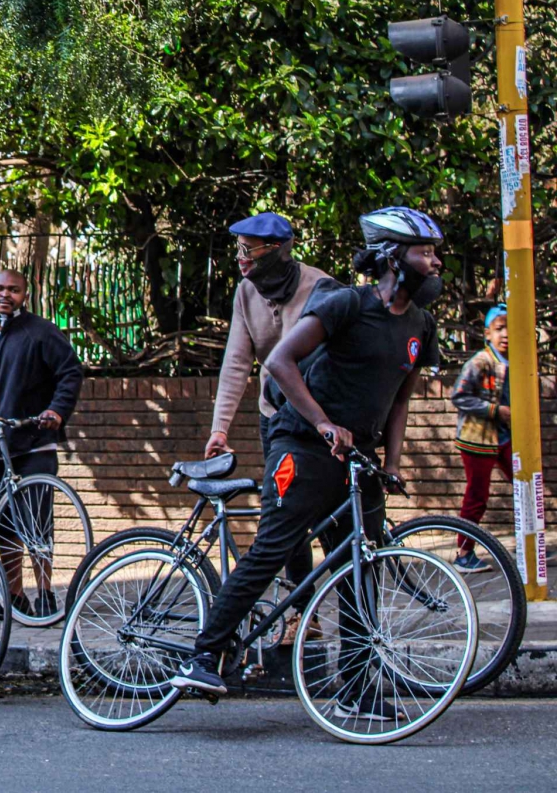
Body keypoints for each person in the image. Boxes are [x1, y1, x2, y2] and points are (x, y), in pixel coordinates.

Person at [172, 207, 444, 722]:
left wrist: (394, 461)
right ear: (392, 257)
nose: (434, 262)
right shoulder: (345, 303)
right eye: (424, 252)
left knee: (360, 567)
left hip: (357, 455)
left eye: (434, 252)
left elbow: (401, 400)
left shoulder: (420, 325)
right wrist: (319, 424)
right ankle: (204, 652)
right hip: (300, 440)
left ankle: (358, 686)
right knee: (275, 546)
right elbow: (275, 363)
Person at [205, 212, 332, 640]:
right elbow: (237, 362)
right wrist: (219, 429)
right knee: (284, 518)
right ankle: (302, 612)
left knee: (331, 520)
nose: (240, 259)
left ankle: (350, 619)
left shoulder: (320, 287)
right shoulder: (246, 292)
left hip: (321, 421)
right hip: (276, 422)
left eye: (248, 250)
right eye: (237, 249)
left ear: (276, 250)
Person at [0, 269, 84, 617]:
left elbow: (70, 372)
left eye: (13, 290)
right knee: (2, 526)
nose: (6, 295)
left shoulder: (41, 332)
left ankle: (44, 593)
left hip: (32, 441)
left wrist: (57, 411)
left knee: (37, 522)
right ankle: (12, 596)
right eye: (0, 288)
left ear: (25, 295)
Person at [451, 304, 512, 572]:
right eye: (500, 328)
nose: (506, 334)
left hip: (506, 437)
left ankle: (533, 547)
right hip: (477, 439)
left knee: (528, 485)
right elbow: (459, 396)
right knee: (477, 496)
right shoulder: (480, 362)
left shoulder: (517, 361)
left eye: (511, 327)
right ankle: (463, 553)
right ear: (488, 333)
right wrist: (494, 410)